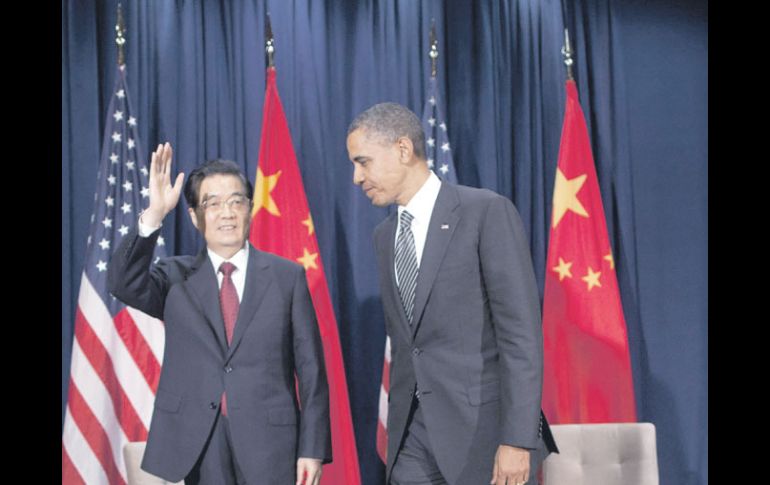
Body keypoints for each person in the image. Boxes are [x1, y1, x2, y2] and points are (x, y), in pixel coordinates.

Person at [346, 103, 558, 485]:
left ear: (403, 149)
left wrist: (517, 439)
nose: (356, 177)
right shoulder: (383, 237)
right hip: (412, 439)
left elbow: (521, 336)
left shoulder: (485, 212)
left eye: (363, 162)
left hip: (483, 436)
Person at [108, 143, 331, 485]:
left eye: (236, 201)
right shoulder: (174, 277)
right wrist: (154, 215)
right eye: (212, 204)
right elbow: (123, 283)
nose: (227, 213)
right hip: (199, 442)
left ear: (250, 209)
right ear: (194, 216)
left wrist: (312, 448)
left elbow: (312, 370)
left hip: (271, 444)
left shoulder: (286, 277)